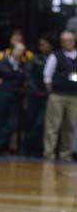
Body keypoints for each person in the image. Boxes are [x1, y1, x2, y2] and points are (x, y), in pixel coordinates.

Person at [43, 31, 77, 161]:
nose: (67, 43)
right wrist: (52, 91)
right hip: (57, 95)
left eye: (69, 40)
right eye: (64, 40)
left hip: (74, 96)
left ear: (73, 41)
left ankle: (66, 153)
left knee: (70, 126)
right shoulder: (55, 56)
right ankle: (49, 153)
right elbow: (47, 76)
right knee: (52, 125)